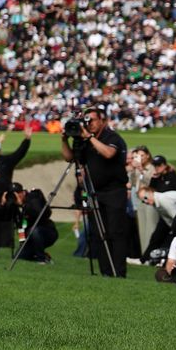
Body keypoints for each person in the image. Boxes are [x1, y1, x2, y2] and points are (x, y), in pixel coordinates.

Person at [61, 106, 129, 277]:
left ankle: (119, 272)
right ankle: (105, 272)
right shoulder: (86, 141)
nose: (89, 124)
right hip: (95, 193)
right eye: (86, 121)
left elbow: (108, 153)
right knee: (99, 234)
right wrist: (64, 139)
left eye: (92, 120)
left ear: (102, 120)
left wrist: (89, 137)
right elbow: (70, 158)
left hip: (115, 192)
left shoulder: (112, 137)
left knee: (115, 233)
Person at [0, 126, 34, 256]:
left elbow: (19, 153)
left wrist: (27, 139)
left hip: (2, 198)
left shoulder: (6, 161)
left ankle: (10, 246)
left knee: (5, 225)